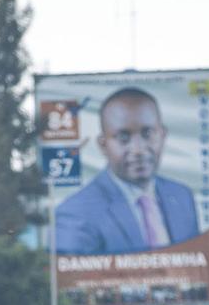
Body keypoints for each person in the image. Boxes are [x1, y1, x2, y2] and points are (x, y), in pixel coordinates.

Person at [53, 87, 200, 254]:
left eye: (148, 134)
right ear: (103, 144)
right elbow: (71, 277)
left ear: (163, 135)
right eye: (123, 137)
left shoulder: (182, 196)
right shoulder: (75, 213)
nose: (138, 150)